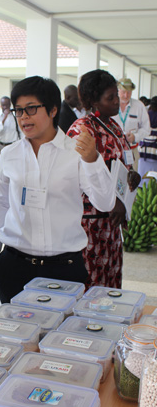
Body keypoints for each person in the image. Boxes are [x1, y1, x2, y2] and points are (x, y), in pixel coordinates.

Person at [0, 75, 115, 304]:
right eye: (19, 111)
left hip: (63, 268)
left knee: (59, 336)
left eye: (31, 109)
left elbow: (105, 203)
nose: (24, 117)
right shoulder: (9, 154)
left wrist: (93, 159)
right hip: (14, 265)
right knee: (19, 335)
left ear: (53, 110)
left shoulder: (76, 152)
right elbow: (1, 203)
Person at [67, 69, 141, 290]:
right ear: (92, 101)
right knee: (93, 285)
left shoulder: (114, 126)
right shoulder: (82, 130)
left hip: (112, 224)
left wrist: (131, 174)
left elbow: (121, 161)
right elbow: (78, 177)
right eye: (111, 98)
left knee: (110, 282)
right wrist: (112, 201)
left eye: (117, 96)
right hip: (91, 226)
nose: (117, 101)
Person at [112, 78, 151, 170]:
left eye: (129, 92)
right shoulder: (111, 105)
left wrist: (135, 136)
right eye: (123, 92)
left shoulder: (139, 106)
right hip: (113, 150)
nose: (126, 95)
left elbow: (147, 129)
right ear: (118, 90)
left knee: (131, 179)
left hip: (132, 150)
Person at [138, 95, 157, 183]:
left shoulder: (145, 114)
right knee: (153, 183)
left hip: (143, 153)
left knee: (142, 180)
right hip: (154, 154)